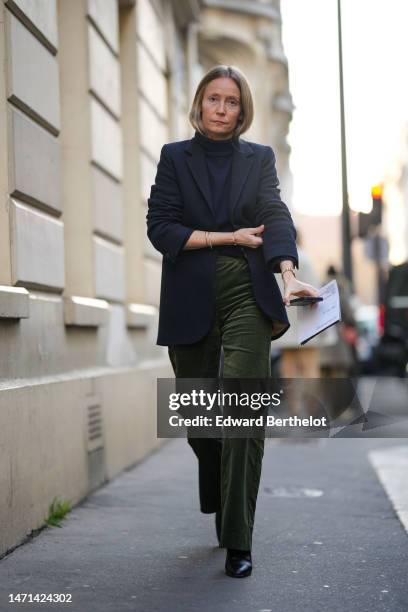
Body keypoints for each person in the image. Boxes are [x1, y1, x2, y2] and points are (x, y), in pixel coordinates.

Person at [146, 65, 318, 578]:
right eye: (213, 99)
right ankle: (221, 485)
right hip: (190, 292)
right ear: (199, 103)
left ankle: (239, 540)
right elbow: (162, 228)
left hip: (249, 290)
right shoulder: (174, 158)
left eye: (232, 102)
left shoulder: (259, 159)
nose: (222, 109)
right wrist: (227, 238)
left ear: (242, 111)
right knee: (201, 420)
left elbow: (276, 213)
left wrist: (289, 274)